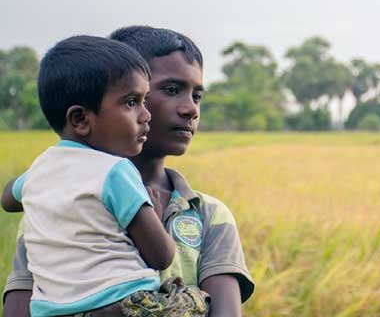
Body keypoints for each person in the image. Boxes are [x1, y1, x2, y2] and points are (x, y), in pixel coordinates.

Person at [3, 26, 254, 316]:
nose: (190, 109)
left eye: (197, 96)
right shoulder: (49, 207)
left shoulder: (209, 215)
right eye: (171, 90)